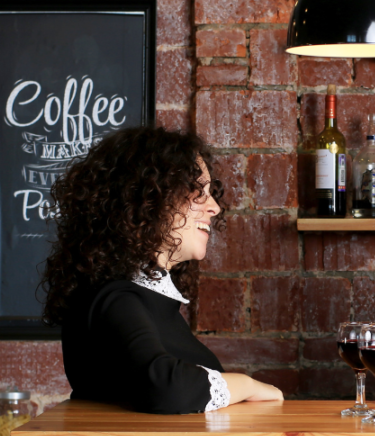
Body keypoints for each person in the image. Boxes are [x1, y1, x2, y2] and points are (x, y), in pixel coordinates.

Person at [41, 126, 283, 414]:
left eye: (211, 193)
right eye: (197, 192)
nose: (214, 207)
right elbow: (168, 389)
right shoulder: (116, 298)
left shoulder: (141, 297)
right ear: (148, 198)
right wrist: (248, 384)